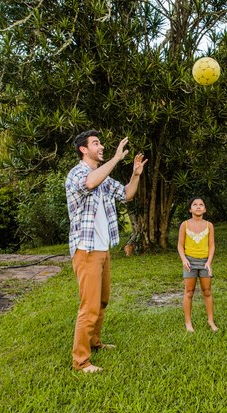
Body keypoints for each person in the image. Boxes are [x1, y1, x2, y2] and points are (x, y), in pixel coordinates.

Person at [66, 130, 147, 373]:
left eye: (100, 143)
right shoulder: (77, 174)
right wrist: (115, 159)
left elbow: (126, 195)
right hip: (87, 250)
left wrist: (134, 175)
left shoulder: (103, 178)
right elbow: (90, 183)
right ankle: (81, 362)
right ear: (83, 149)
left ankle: (94, 342)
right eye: (96, 143)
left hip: (102, 250)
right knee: (89, 307)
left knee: (101, 301)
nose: (100, 147)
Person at [177, 197, 218, 332]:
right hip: (189, 262)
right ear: (190, 209)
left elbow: (211, 245)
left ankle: (210, 321)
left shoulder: (209, 225)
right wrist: (184, 260)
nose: (198, 207)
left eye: (201, 205)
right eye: (195, 204)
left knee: (207, 292)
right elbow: (180, 245)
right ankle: (188, 323)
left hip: (205, 262)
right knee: (189, 292)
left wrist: (209, 262)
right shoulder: (185, 224)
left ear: (205, 209)